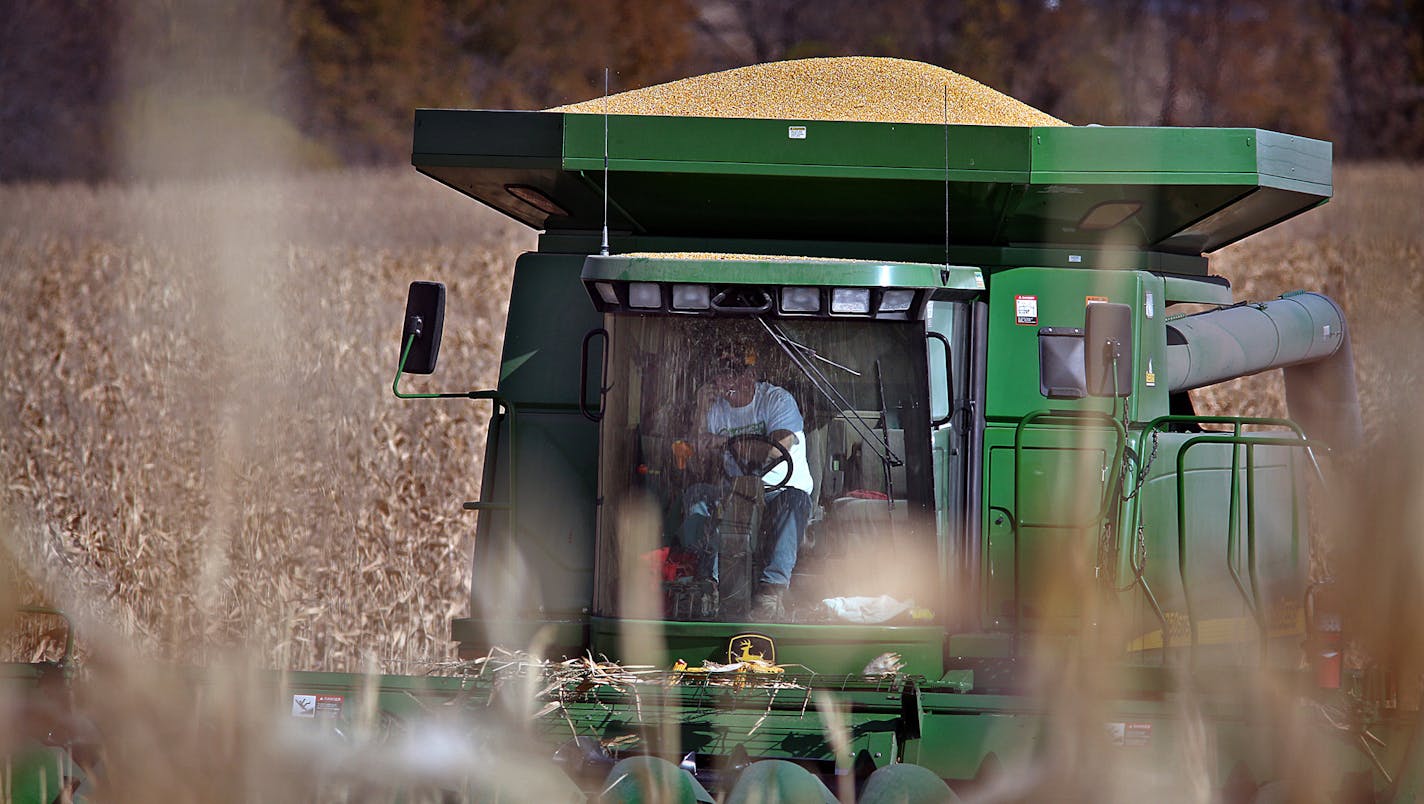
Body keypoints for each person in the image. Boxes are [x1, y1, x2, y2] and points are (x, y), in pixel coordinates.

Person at [678, 350, 813, 620]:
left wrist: (724, 442)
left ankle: (771, 593)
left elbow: (776, 449)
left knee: (794, 502)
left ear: (750, 375)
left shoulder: (776, 400)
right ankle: (708, 585)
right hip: (735, 492)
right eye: (719, 374)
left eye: (731, 373)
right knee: (698, 497)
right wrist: (701, 412)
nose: (724, 381)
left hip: (780, 492)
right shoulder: (715, 410)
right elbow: (696, 458)